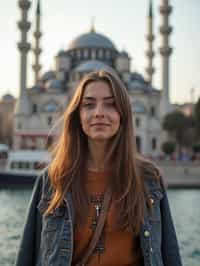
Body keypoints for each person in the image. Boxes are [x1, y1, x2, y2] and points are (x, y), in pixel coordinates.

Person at [15, 70, 182, 266]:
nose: (99, 112)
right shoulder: (52, 179)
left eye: (110, 104)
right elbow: (28, 252)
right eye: (89, 105)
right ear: (78, 115)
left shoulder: (148, 179)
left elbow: (169, 251)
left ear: (123, 114)